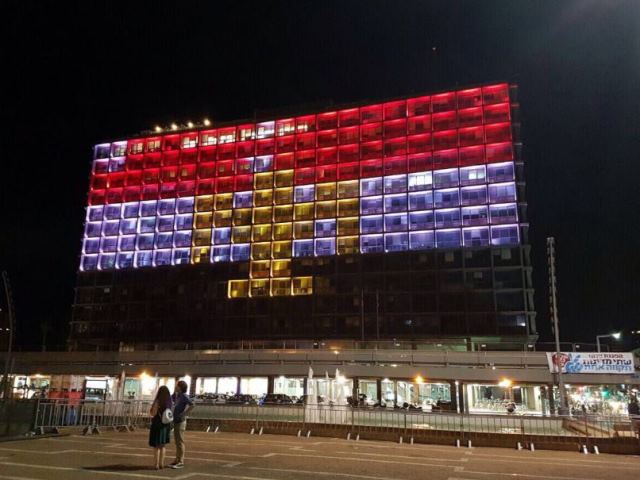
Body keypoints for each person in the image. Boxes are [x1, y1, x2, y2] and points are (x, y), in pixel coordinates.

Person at [170, 380, 194, 469]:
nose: (175, 387)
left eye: (177, 386)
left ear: (180, 387)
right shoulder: (177, 395)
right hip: (176, 420)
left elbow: (192, 405)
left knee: (180, 441)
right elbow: (169, 399)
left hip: (181, 421)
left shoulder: (184, 396)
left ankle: (181, 461)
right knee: (177, 442)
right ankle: (177, 459)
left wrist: (184, 413)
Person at [149, 385, 172, 470]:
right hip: (165, 425)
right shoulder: (169, 401)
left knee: (156, 446)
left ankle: (156, 465)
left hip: (157, 424)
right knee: (163, 445)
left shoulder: (157, 401)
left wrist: (151, 410)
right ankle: (162, 464)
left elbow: (153, 413)